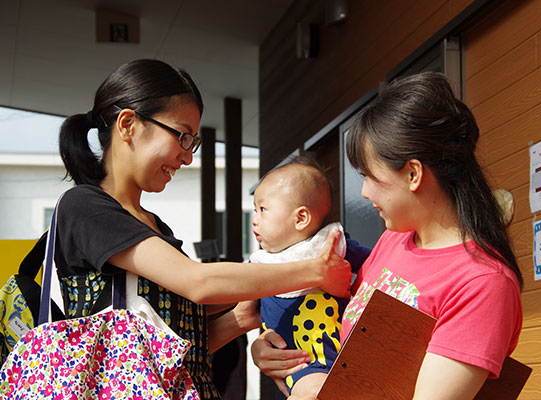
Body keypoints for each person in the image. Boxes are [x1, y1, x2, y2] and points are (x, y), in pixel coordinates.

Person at [55, 58, 352, 399]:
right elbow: (199, 282)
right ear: (128, 125)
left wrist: (242, 318)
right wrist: (314, 270)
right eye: (182, 136)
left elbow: (178, 351)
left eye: (192, 142)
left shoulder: (155, 225)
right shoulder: (85, 207)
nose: (187, 157)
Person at [251, 71, 523, 400]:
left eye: (370, 176)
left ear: (412, 173)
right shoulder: (395, 242)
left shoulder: (483, 282)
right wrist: (276, 350)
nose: (364, 192)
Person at [250, 157, 351, 399]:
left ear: (301, 218)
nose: (254, 219)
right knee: (313, 392)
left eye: (262, 210)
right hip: (302, 363)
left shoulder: (332, 244)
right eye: (255, 210)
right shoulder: (260, 263)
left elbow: (379, 264)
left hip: (345, 355)